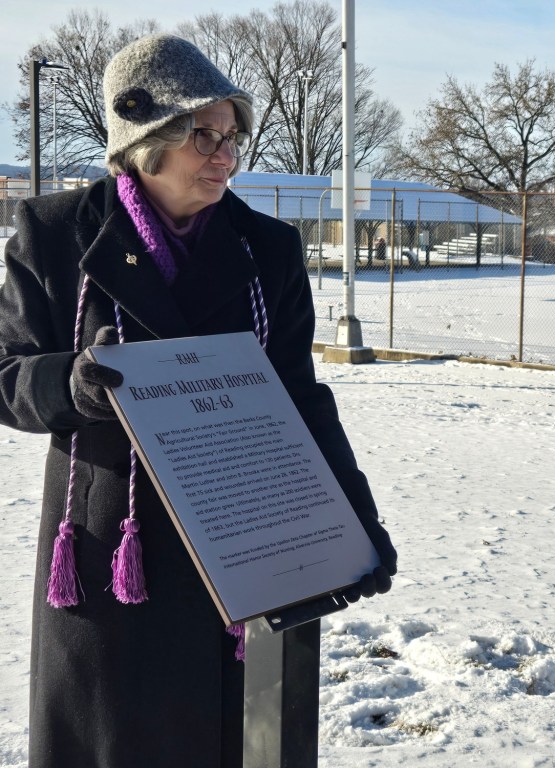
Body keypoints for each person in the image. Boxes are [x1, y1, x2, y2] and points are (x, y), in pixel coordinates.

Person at [0, 34, 397, 768]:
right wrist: (70, 383)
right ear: (144, 140)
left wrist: (354, 519)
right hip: (111, 555)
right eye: (202, 135)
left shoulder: (266, 249)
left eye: (232, 134)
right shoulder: (55, 235)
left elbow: (300, 399)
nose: (226, 155)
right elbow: (6, 374)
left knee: (230, 739)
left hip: (247, 537)